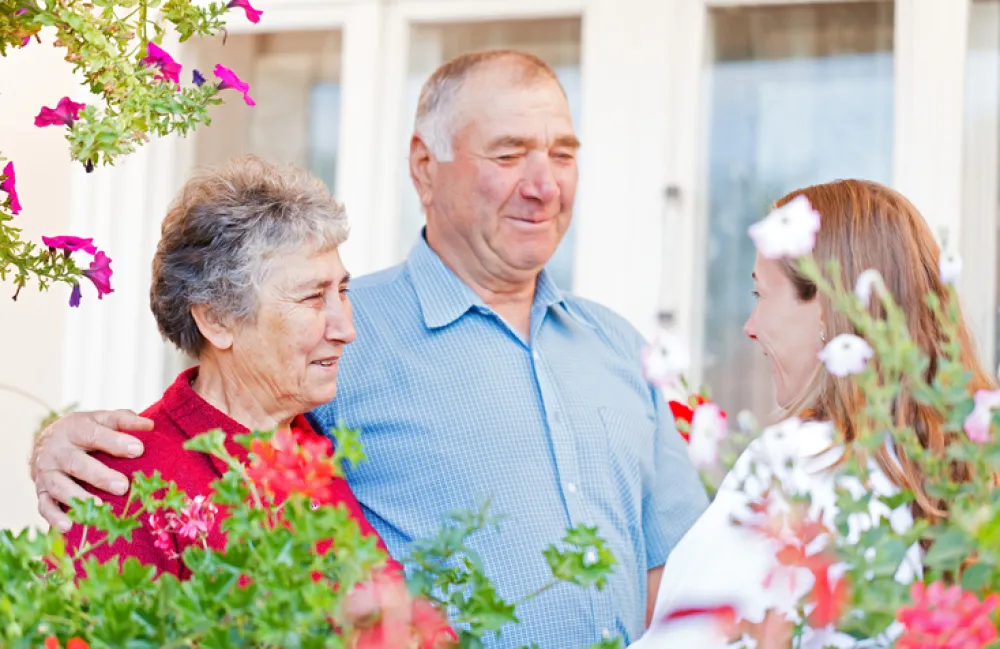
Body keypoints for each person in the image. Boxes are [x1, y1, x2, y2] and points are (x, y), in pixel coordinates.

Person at [31, 50, 709, 648]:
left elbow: (681, 567)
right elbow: (206, 420)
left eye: (563, 154)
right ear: (424, 166)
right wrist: (53, 441)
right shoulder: (336, 359)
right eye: (507, 154)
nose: (543, 185)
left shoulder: (619, 346)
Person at [634, 179, 996, 647]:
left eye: (760, 295)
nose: (749, 326)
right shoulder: (961, 468)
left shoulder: (798, 463)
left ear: (824, 308)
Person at [61, 154, 399, 579]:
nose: (346, 328)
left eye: (342, 290)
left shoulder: (308, 445)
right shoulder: (128, 484)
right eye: (313, 297)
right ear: (217, 319)